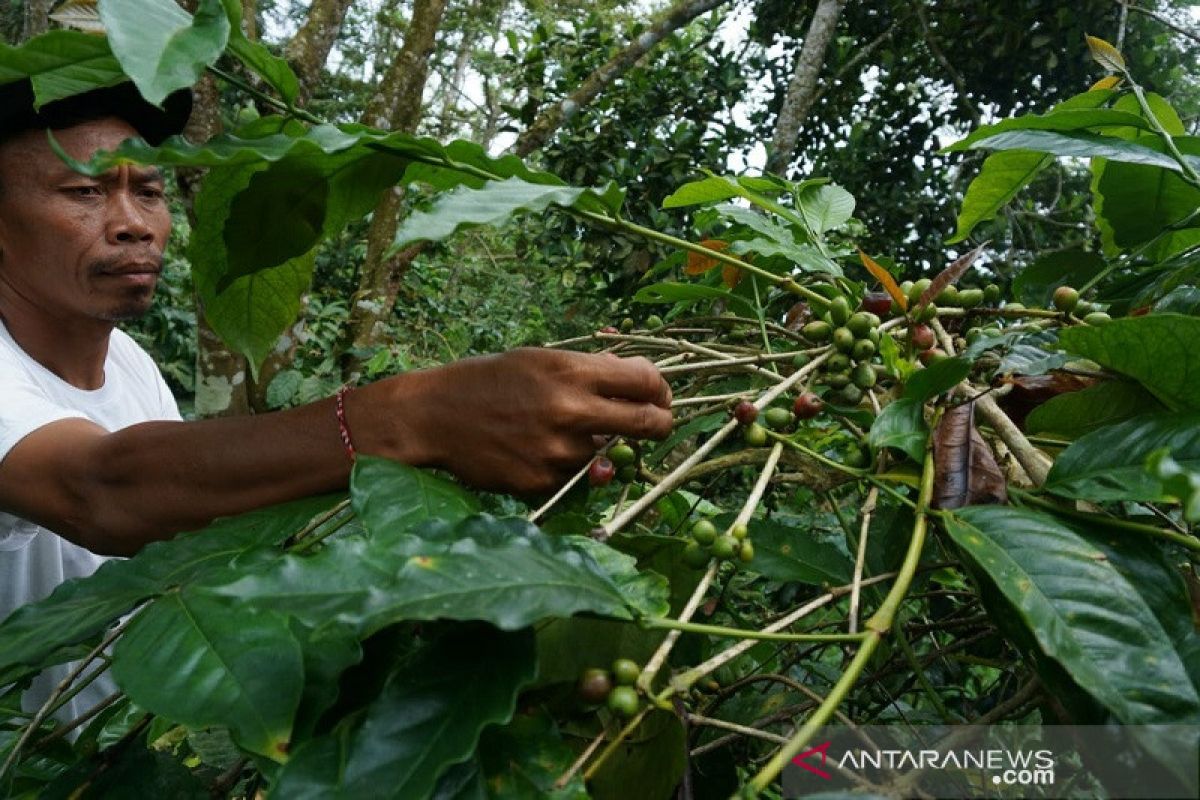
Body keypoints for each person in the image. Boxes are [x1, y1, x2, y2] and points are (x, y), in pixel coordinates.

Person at [0, 79, 673, 721]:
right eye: (85, 191)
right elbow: (103, 489)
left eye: (147, 191)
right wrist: (417, 415)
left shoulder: (129, 364)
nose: (132, 224)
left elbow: (178, 519)